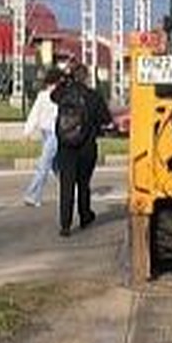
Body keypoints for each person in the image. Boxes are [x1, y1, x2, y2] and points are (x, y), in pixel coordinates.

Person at [51, 58, 112, 237]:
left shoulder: (64, 93)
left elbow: (52, 96)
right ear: (86, 77)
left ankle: (65, 225)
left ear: (73, 76)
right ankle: (85, 216)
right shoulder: (93, 96)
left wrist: (65, 78)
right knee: (83, 184)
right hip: (87, 147)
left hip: (66, 147)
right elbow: (106, 119)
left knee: (66, 185)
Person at [21, 66, 63, 207]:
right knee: (55, 165)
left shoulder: (61, 97)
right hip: (46, 133)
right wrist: (27, 132)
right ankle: (69, 188)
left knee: (43, 164)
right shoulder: (43, 96)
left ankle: (33, 195)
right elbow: (35, 115)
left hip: (55, 134)